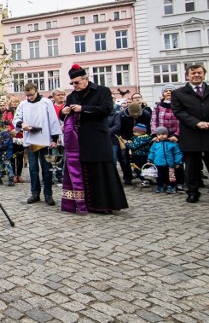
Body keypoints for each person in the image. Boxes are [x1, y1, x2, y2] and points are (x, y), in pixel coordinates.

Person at [62, 64, 128, 213]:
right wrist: (64, 111)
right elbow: (66, 116)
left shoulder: (102, 91)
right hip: (78, 141)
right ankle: (83, 203)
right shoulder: (71, 96)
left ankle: (103, 204)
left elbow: (106, 109)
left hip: (97, 138)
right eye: (72, 83)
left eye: (77, 82)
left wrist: (83, 109)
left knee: (100, 171)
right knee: (82, 171)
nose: (74, 86)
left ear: (86, 79)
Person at [12, 83, 62, 205]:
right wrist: (22, 124)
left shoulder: (46, 102)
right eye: (27, 95)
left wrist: (54, 139)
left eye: (31, 95)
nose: (29, 97)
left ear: (37, 91)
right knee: (33, 169)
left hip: (45, 140)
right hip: (30, 140)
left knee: (47, 169)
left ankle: (48, 194)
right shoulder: (23, 104)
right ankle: (35, 193)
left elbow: (53, 121)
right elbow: (16, 118)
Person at [171, 64, 209, 203]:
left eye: (199, 72)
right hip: (190, 134)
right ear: (187, 76)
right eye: (193, 73)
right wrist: (196, 122)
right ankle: (193, 192)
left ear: (204, 74)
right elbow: (178, 111)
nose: (196, 75)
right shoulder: (178, 93)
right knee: (191, 166)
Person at [150, 84, 184, 190]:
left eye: (171, 90)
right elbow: (153, 121)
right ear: (163, 94)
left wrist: (176, 135)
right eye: (166, 91)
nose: (168, 92)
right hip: (161, 135)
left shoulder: (179, 105)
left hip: (175, 136)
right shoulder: (158, 106)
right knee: (162, 161)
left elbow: (182, 121)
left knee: (176, 160)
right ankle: (163, 182)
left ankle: (179, 182)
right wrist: (155, 135)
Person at [118, 101, 152, 185]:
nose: (136, 116)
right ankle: (127, 177)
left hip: (142, 139)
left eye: (138, 114)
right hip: (126, 137)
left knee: (145, 157)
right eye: (134, 115)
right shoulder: (122, 115)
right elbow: (120, 129)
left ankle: (145, 175)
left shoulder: (146, 115)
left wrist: (143, 139)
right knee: (124, 157)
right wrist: (125, 139)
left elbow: (148, 129)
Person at [147, 127, 183, 194]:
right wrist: (150, 159)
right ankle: (160, 186)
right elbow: (152, 152)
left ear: (167, 134)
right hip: (158, 163)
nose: (161, 136)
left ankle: (171, 186)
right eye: (159, 134)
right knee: (159, 176)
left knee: (171, 176)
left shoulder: (172, 143)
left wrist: (178, 162)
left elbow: (177, 153)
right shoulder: (155, 144)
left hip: (170, 164)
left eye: (163, 134)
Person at [1, 97, 24, 183]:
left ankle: (19, 174)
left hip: (20, 136)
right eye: (13, 102)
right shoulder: (7, 113)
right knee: (12, 157)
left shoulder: (21, 112)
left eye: (16, 102)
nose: (14, 103)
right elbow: (3, 123)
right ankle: (13, 174)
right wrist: (10, 130)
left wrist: (19, 129)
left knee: (20, 157)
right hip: (11, 136)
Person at [51, 89, 67, 184]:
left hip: (66, 134)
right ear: (54, 97)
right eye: (58, 95)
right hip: (54, 135)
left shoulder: (67, 106)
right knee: (55, 157)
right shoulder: (51, 107)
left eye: (63, 94)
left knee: (65, 157)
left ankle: (63, 175)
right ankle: (55, 174)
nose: (61, 96)